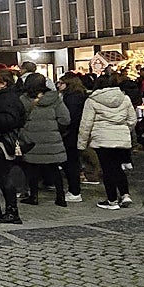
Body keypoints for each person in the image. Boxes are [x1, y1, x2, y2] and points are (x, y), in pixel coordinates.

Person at [77, 72, 137, 209]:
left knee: (108, 169)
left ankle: (112, 200)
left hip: (102, 138)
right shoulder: (125, 98)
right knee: (118, 167)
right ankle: (125, 194)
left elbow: (86, 124)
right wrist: (123, 129)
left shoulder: (92, 100)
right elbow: (132, 120)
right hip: (121, 138)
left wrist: (81, 143)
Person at [0, 69, 27, 224]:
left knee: (3, 178)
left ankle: (12, 211)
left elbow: (11, 121)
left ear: (4, 84)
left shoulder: (9, 99)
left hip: (2, 143)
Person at [17, 73, 70, 206]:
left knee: (32, 169)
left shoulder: (23, 100)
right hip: (52, 139)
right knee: (54, 169)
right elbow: (65, 119)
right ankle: (60, 197)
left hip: (31, 140)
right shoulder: (55, 98)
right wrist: (55, 129)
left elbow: (19, 119)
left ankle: (34, 196)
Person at [57, 73, 91, 201]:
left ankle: (74, 191)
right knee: (73, 161)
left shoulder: (71, 98)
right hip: (76, 133)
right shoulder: (80, 96)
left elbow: (69, 118)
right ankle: (74, 189)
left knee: (70, 162)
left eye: (60, 83)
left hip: (70, 135)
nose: (58, 86)